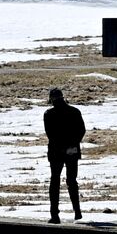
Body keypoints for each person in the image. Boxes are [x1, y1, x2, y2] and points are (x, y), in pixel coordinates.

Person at [43, 88, 86, 224]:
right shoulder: (74, 111)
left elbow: (50, 134)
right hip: (72, 150)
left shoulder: (49, 114)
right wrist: (72, 144)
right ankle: (77, 212)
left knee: (55, 181)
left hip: (56, 151)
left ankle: (54, 215)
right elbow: (81, 130)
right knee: (72, 181)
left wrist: (61, 146)